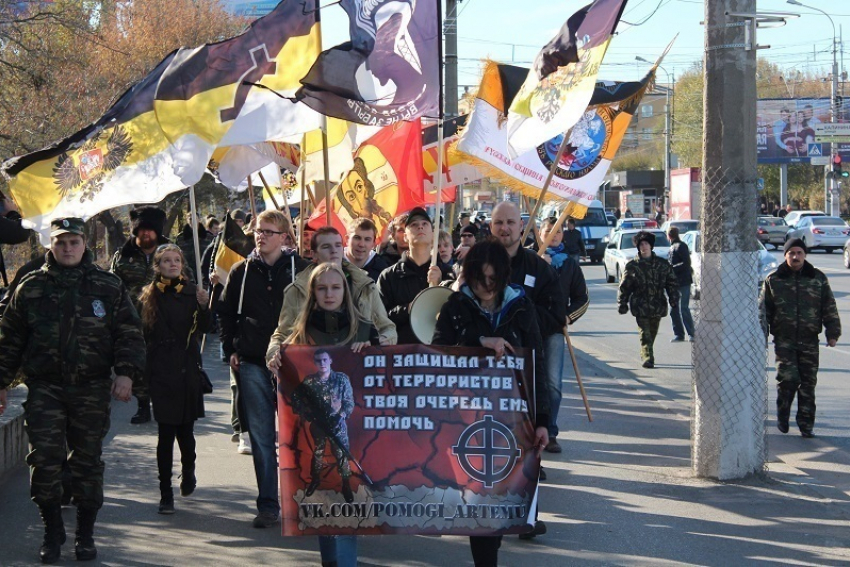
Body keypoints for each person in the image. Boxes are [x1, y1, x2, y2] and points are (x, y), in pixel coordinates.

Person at [0, 217, 145, 564]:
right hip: (45, 387)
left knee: (87, 463)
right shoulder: (31, 286)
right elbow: (10, 339)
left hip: (90, 387)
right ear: (51, 244)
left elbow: (129, 332)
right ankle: (51, 530)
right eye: (61, 242)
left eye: (73, 242)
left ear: (84, 244)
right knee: (45, 462)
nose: (67, 249)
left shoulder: (107, 286)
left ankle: (85, 532)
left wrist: (125, 374)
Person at [432, 241, 549, 567]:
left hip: (513, 420)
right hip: (467, 418)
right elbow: (438, 352)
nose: (485, 285)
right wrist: (478, 341)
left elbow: (537, 366)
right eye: (479, 277)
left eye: (492, 278)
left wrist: (543, 421)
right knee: (480, 503)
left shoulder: (522, 307)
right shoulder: (456, 305)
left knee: (498, 504)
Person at [267, 263, 371, 567]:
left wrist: (372, 346)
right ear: (313, 292)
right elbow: (289, 367)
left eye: (335, 287)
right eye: (322, 288)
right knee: (323, 500)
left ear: (345, 291)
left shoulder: (362, 326)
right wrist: (276, 357)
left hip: (351, 422)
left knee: (345, 480)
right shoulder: (301, 329)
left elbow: (379, 365)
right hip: (315, 423)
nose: (329, 294)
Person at [218, 209, 309, 528]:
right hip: (254, 361)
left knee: (299, 436)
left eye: (268, 231)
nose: (260, 236)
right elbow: (226, 312)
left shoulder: (303, 269)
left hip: (295, 364)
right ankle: (268, 504)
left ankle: (301, 501)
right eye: (258, 230)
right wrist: (230, 348)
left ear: (285, 237)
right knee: (260, 436)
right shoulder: (242, 271)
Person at [138, 244, 210, 514]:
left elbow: (206, 328)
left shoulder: (193, 292)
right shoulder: (148, 295)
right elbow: (141, 335)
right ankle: (165, 493)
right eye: (166, 261)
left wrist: (204, 306)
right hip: (161, 372)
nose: (172, 264)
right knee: (165, 434)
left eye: (176, 260)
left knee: (186, 433)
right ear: (157, 266)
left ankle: (189, 469)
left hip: (187, 369)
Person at [760, 238, 841, 438]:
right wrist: (761, 336)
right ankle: (783, 414)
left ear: (804, 255)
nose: (795, 257)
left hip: (809, 340)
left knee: (808, 383)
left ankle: (806, 424)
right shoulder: (774, 279)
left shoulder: (817, 278)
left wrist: (832, 333)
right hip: (784, 340)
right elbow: (763, 311)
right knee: (787, 379)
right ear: (785, 255)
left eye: (799, 253)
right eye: (791, 253)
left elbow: (829, 306)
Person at [271, 226, 396, 348]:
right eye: (326, 247)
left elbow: (387, 328)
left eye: (337, 245)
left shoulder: (365, 286)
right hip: (314, 363)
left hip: (356, 362)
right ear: (314, 255)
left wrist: (378, 343)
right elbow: (282, 334)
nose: (334, 250)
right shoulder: (297, 290)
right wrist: (275, 354)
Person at [111, 206, 169, 425]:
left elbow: (184, 278)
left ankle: (163, 405)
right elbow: (113, 285)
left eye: (150, 230)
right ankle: (143, 405)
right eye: (141, 229)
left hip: (164, 319)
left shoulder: (168, 252)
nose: (146, 233)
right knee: (139, 364)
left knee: (163, 364)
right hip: (132, 320)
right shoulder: (123, 256)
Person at [538, 217, 589, 453]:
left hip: (555, 331)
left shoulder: (569, 265)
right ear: (540, 233)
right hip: (528, 329)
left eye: (557, 231)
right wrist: (539, 264)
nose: (554, 234)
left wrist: (568, 317)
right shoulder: (530, 259)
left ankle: (550, 431)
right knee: (526, 382)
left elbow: (582, 298)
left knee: (552, 384)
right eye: (549, 230)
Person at [377, 207, 453, 344]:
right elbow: (380, 319)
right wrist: (410, 308)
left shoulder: (449, 274)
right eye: (414, 225)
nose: (420, 227)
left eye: (425, 224)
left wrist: (441, 288)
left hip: (440, 356)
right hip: (403, 356)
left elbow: (459, 318)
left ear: (433, 234)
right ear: (405, 236)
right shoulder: (389, 277)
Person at [616, 231, 680, 369]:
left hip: (657, 305)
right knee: (645, 333)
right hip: (640, 305)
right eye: (641, 245)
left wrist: (674, 298)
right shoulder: (633, 266)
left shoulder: (662, 265)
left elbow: (672, 283)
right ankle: (648, 357)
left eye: (646, 244)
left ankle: (646, 351)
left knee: (652, 332)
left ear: (651, 246)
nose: (643, 247)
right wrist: (622, 303)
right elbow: (625, 286)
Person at [666, 227, 696, 343]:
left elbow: (686, 263)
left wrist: (672, 269)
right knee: (674, 309)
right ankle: (679, 334)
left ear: (669, 236)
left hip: (683, 281)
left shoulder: (681, 246)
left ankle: (691, 333)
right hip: (674, 282)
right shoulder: (672, 247)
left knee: (683, 308)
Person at [344, 217, 389, 283]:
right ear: (347, 239)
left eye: (367, 239)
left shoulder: (383, 271)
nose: (361, 244)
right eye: (357, 238)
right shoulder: (334, 264)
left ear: (374, 244)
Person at [175, 211, 214, 281]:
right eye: (190, 219)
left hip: (205, 273)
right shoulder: (181, 238)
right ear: (187, 220)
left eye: (195, 219)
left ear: (199, 220)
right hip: (187, 274)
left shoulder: (208, 236)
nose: (193, 221)